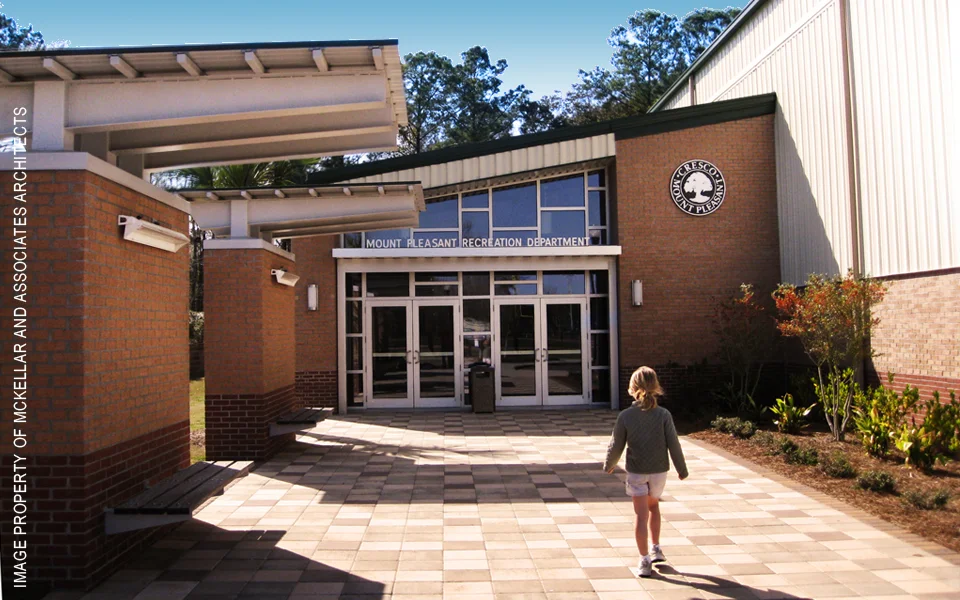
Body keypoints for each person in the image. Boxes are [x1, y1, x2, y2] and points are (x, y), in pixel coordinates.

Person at [603, 366, 688, 578]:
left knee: (640, 516)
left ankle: (643, 560)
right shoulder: (663, 415)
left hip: (637, 472)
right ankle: (656, 548)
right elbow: (673, 444)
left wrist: (610, 464)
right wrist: (681, 468)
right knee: (654, 507)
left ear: (632, 389)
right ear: (656, 387)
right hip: (659, 471)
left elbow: (616, 444)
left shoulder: (626, 416)